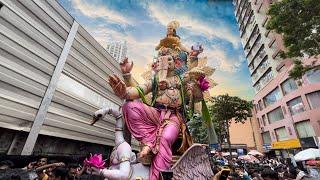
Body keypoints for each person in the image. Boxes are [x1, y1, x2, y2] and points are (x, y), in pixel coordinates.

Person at [108, 21, 211, 180]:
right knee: (128, 106)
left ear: (175, 63)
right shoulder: (155, 81)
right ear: (157, 62)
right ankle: (149, 142)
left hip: (173, 118)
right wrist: (124, 86)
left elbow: (193, 78)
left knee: (165, 138)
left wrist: (194, 58)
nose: (165, 62)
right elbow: (137, 91)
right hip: (155, 113)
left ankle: (156, 177)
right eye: (161, 58)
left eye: (169, 59)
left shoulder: (181, 78)